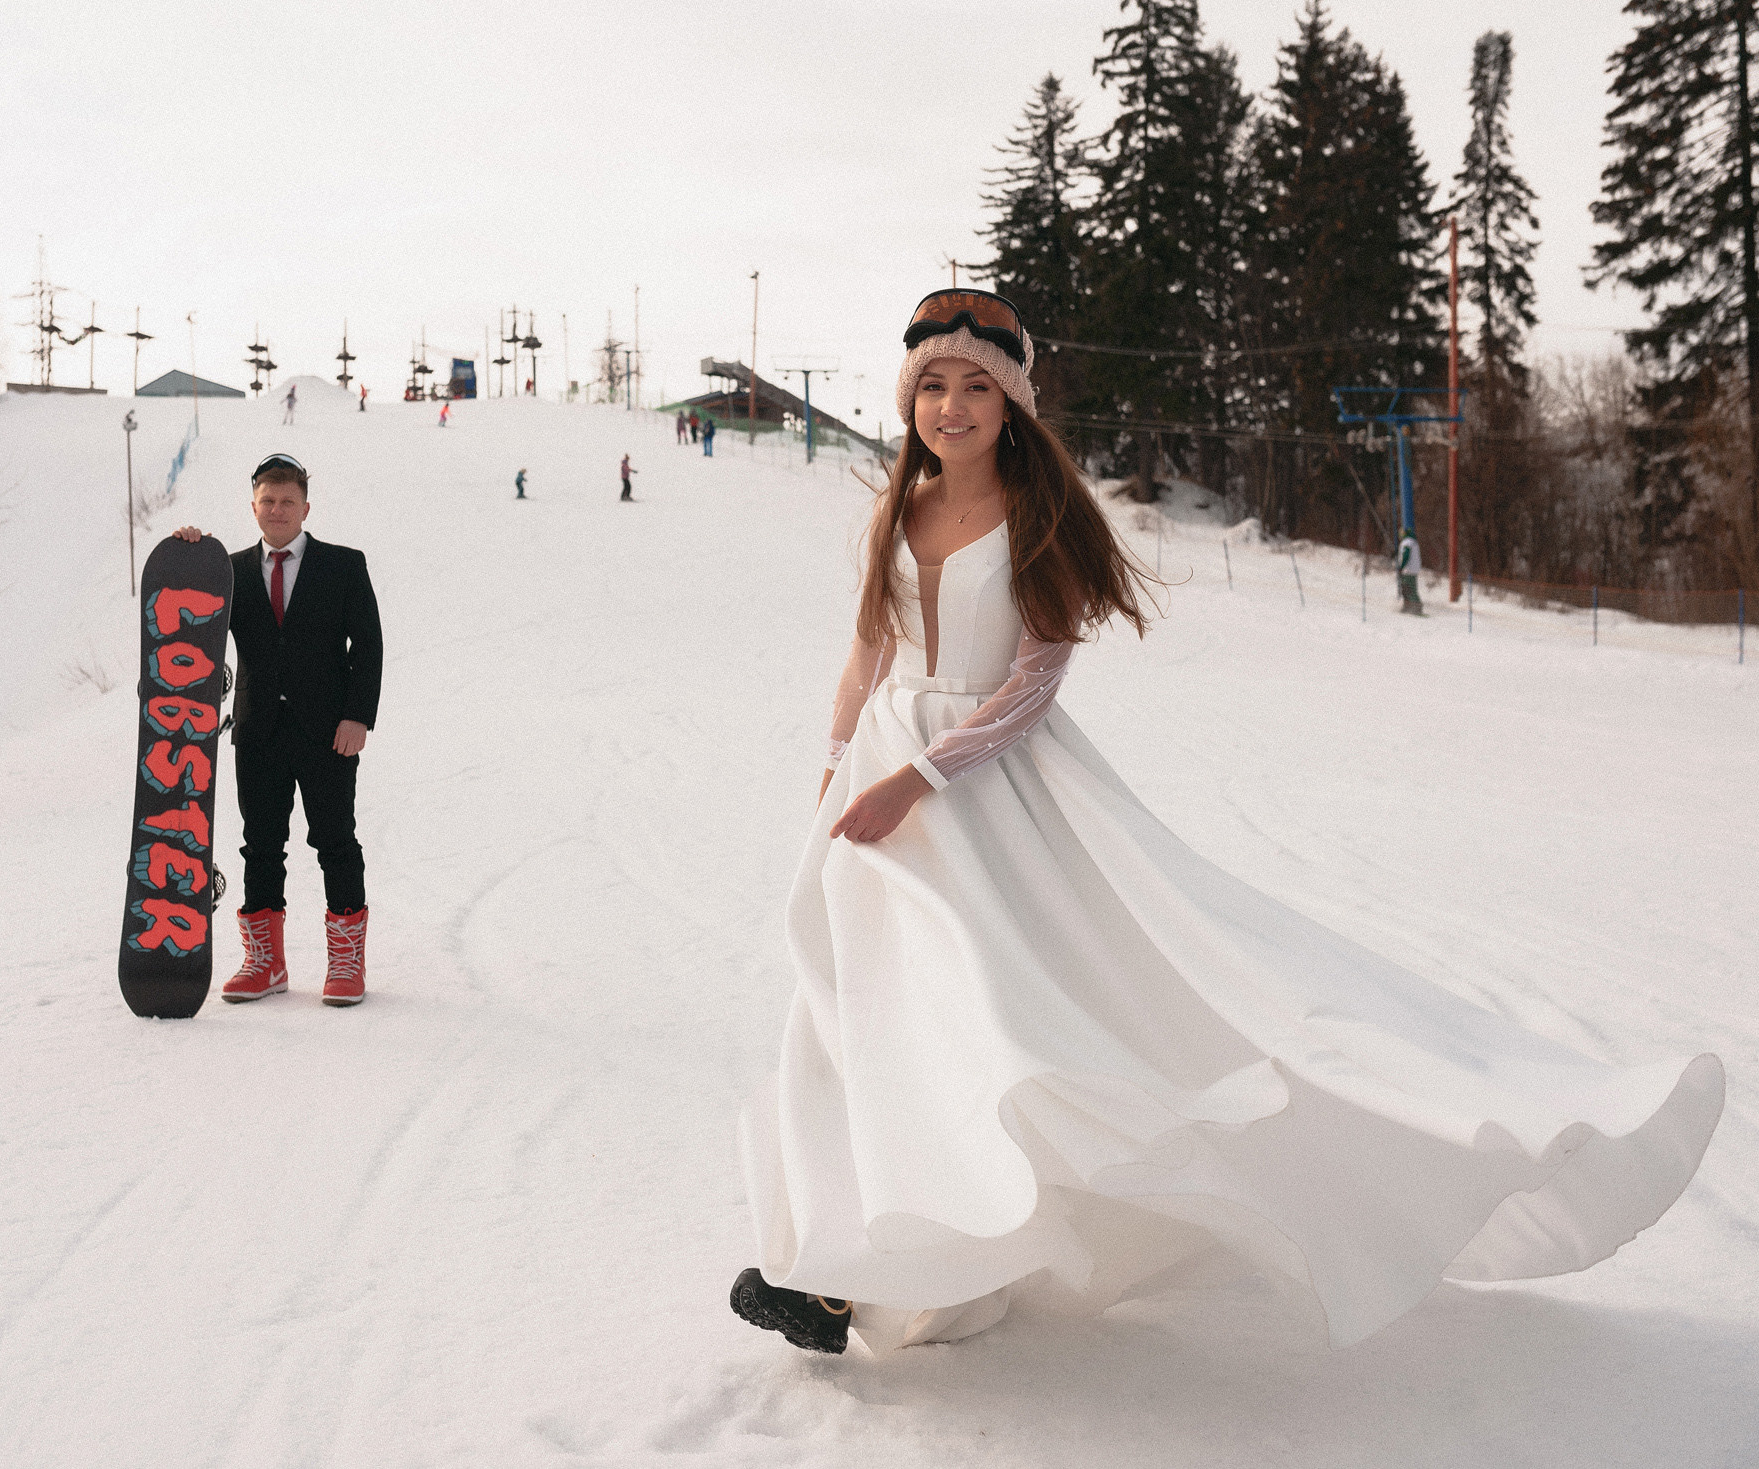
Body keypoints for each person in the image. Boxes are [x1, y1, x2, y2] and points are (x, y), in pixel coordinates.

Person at [730, 287, 1721, 1359]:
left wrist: (915, 775)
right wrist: (838, 768)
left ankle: (912, 1265)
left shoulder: (1038, 515)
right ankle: (840, 1267)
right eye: (933, 385)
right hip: (876, 792)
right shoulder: (893, 510)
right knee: (856, 1007)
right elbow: (866, 658)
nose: (952, 406)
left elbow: (1030, 685)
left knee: (995, 1019)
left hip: (983, 796)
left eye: (977, 385)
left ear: (1013, 403)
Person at [173, 454, 382, 1007]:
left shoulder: (344, 565)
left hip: (328, 731)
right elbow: (191, 615)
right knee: (260, 844)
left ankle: (345, 961)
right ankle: (264, 964)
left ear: (305, 507)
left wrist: (358, 716)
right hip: (258, 729)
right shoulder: (231, 570)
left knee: (335, 840)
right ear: (254, 507)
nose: (278, 509)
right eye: (268, 500)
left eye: (288, 501)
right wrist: (188, 553)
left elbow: (369, 647)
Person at [1396, 529, 1425, 615]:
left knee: (1408, 588)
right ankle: (1409, 606)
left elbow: (1406, 555)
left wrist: (1401, 566)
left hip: (1408, 569)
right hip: (1414, 569)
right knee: (1410, 587)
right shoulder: (1413, 542)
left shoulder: (1406, 543)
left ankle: (1415, 607)